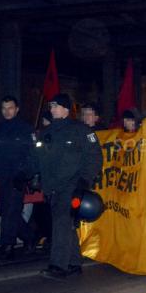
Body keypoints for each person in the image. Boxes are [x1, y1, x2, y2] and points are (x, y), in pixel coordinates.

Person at [35, 93, 102, 280]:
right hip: (52, 186)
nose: (53, 109)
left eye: (56, 106)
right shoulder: (45, 132)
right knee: (64, 224)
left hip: (71, 186)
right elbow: (38, 157)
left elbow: (95, 156)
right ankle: (74, 263)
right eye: (51, 106)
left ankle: (58, 265)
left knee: (61, 222)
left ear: (65, 109)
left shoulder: (81, 131)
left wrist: (85, 180)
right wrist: (29, 175)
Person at [0, 96, 36, 262]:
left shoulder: (25, 129)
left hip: (18, 177)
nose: (7, 111)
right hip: (2, 177)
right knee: (7, 211)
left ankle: (7, 247)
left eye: (10, 108)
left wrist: (25, 174)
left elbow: (32, 155)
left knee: (10, 212)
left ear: (17, 109)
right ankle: (30, 237)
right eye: (4, 108)